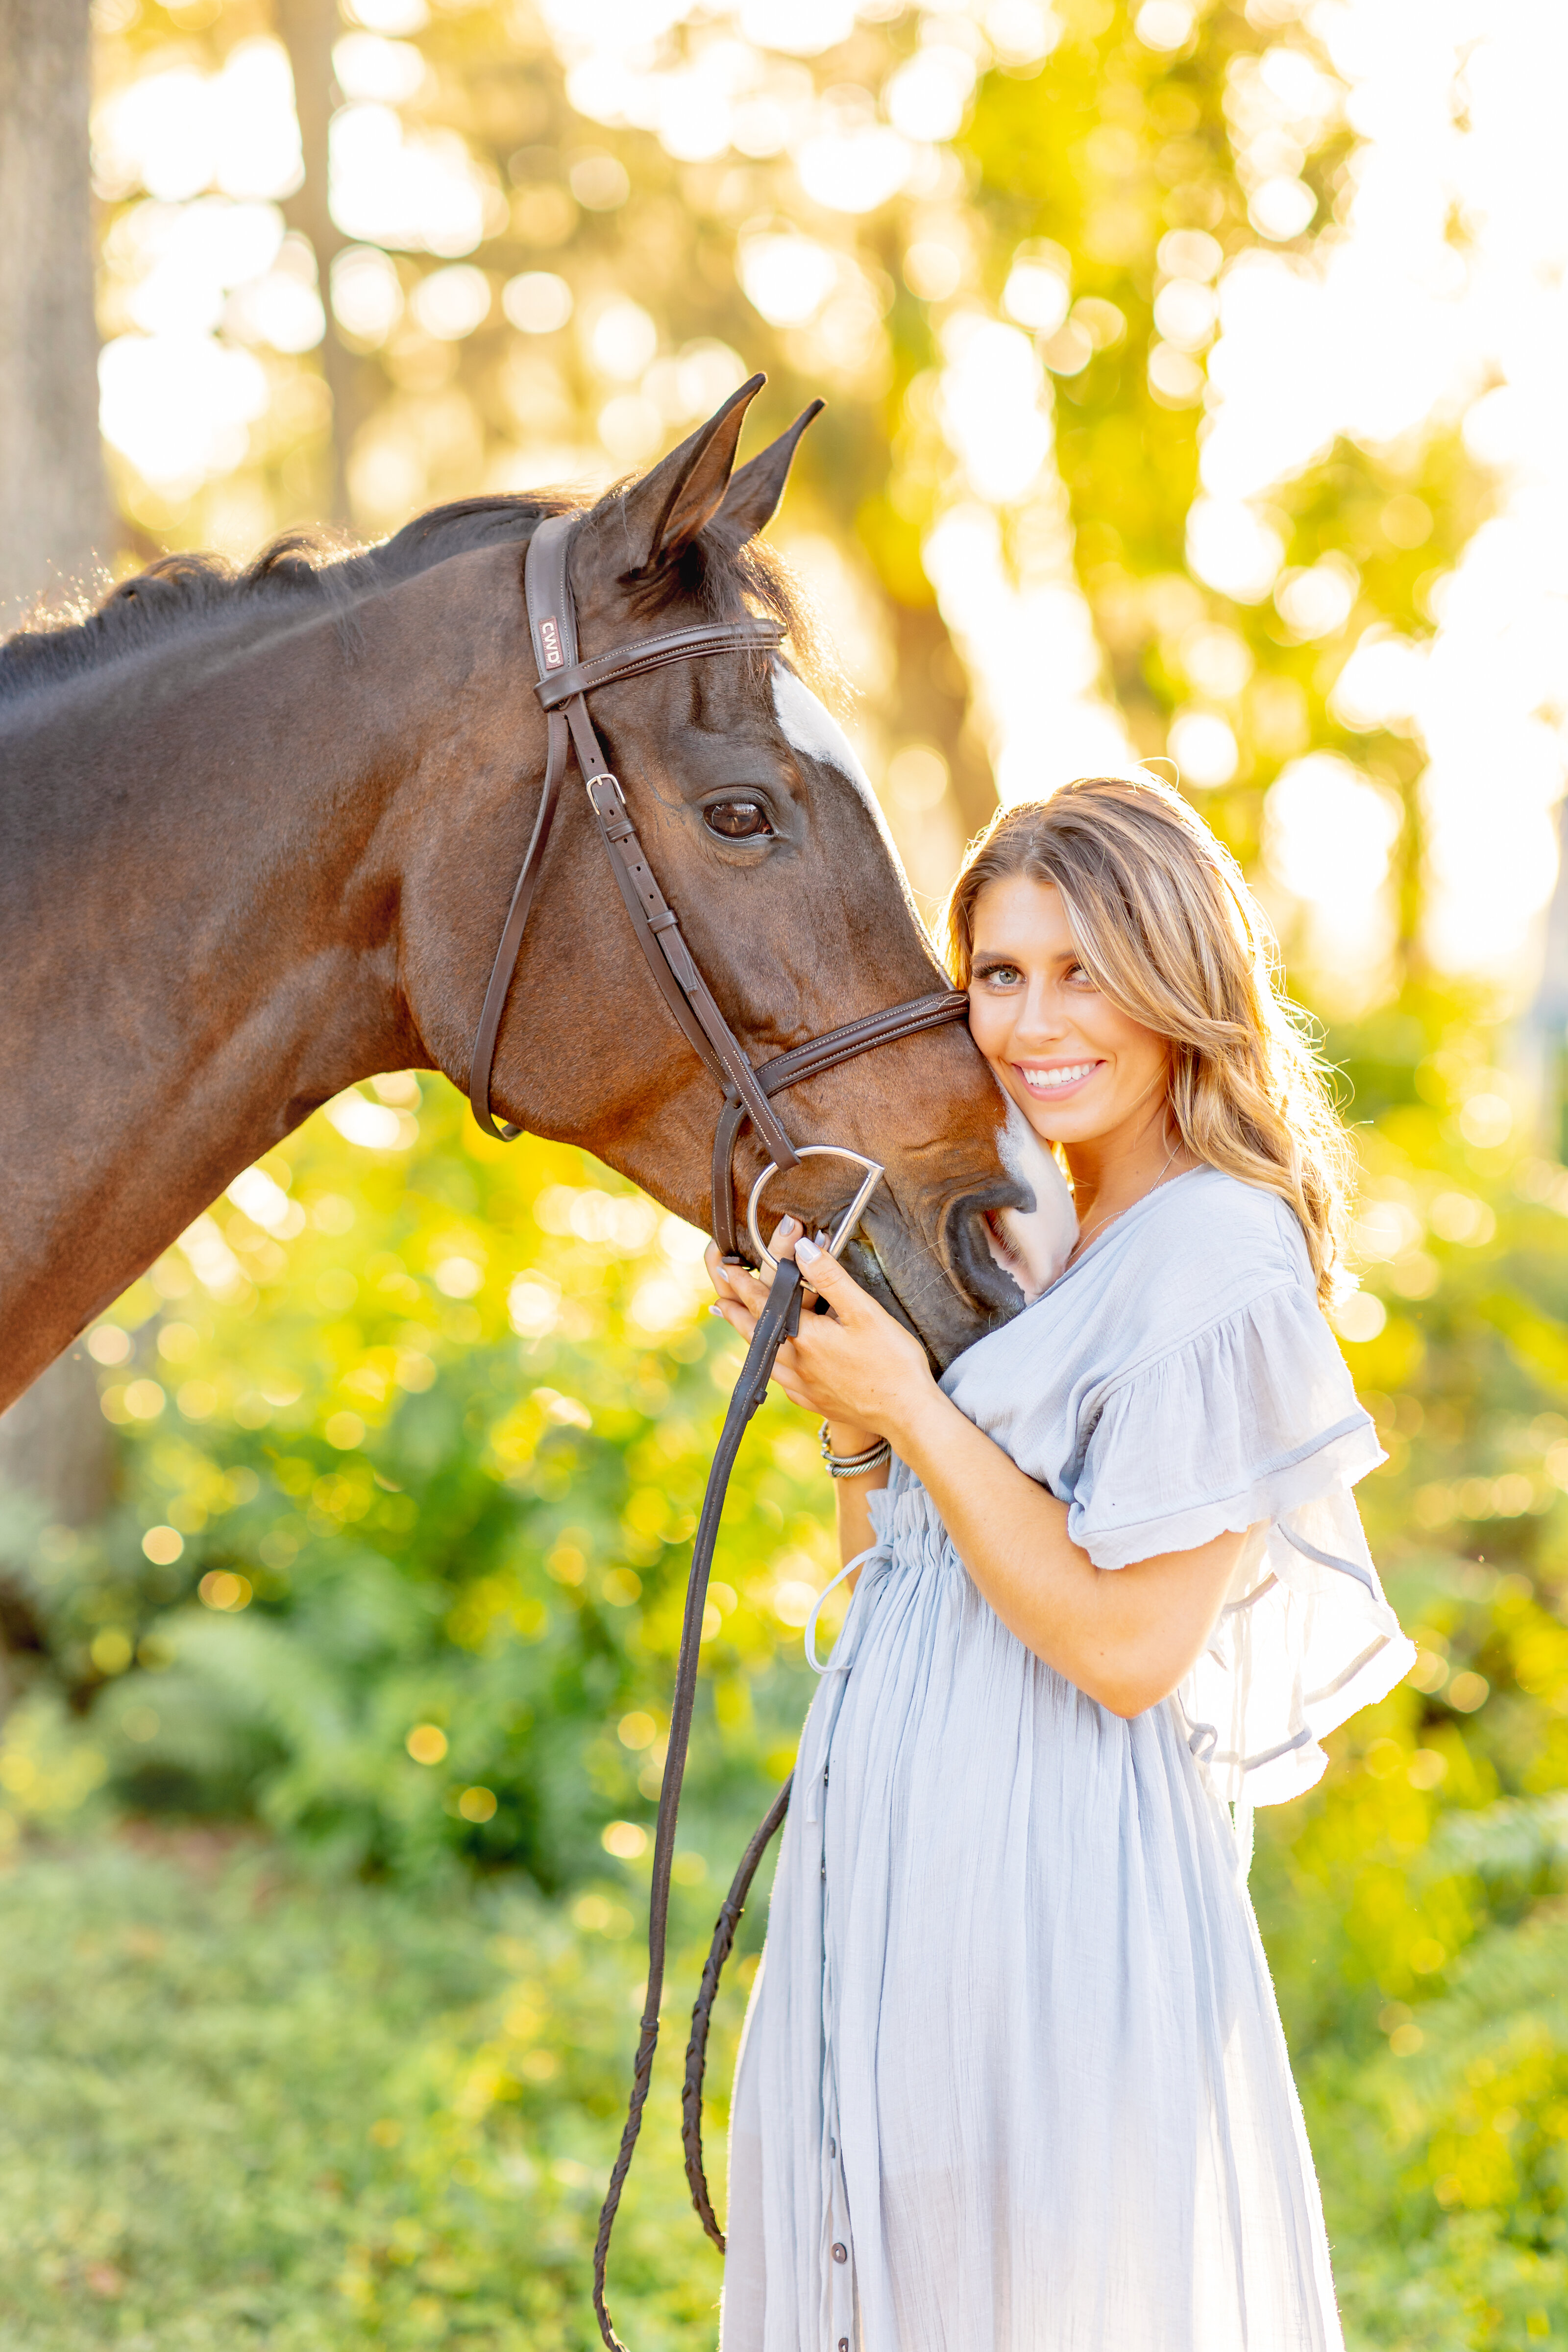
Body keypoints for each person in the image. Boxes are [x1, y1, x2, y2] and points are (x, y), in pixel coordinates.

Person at [707, 773, 1414, 2352]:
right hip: (900, 1844)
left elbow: (1127, 1651)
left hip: (1052, 1878)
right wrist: (853, 1414)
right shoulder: (1032, 1236)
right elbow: (906, 1574)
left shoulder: (1219, 1255)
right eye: (1000, 975)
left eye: (1085, 972)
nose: (1034, 1025)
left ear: (1180, 980)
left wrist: (918, 1405)